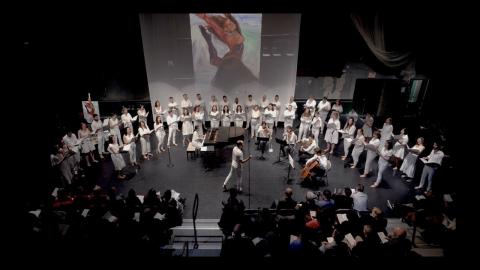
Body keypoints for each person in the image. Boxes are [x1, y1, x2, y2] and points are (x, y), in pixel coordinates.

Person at [196, 13, 257, 90]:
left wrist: (229, 16)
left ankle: (208, 39)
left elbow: (235, 25)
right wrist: (205, 17)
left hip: (232, 62)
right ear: (225, 30)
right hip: (232, 62)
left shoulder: (234, 33)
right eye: (227, 25)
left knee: (214, 62)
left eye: (230, 23)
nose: (230, 25)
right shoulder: (227, 36)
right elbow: (216, 26)